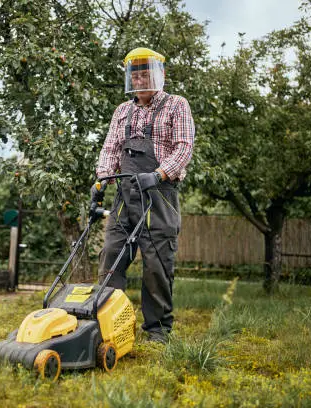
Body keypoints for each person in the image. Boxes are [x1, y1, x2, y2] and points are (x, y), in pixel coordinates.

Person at [93, 47, 195, 343]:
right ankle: (109, 325)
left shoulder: (176, 105)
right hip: (124, 195)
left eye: (145, 73)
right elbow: (110, 149)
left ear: (159, 75)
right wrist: (101, 180)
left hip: (158, 195)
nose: (139, 79)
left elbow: (184, 147)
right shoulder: (122, 111)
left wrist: (160, 174)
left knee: (157, 264)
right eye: (134, 75)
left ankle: (157, 331)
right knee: (112, 256)